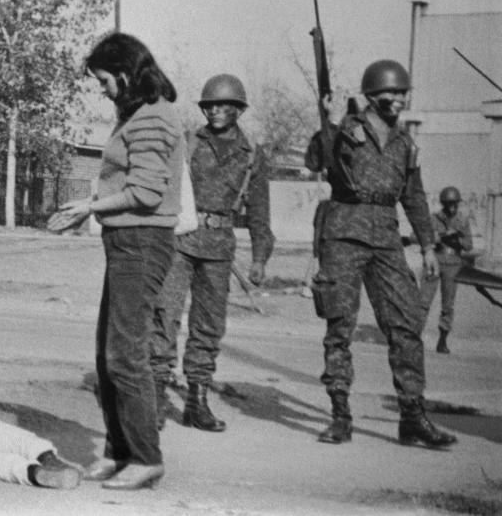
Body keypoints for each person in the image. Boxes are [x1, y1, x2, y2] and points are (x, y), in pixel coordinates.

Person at [49, 32, 182, 490]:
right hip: (127, 241)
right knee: (108, 356)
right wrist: (92, 202)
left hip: (142, 243)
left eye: (104, 80)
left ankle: (146, 457)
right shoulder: (138, 115)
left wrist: (91, 206)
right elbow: (127, 183)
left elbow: (146, 192)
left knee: (125, 354)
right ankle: (119, 450)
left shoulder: (151, 118)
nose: (101, 89)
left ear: (125, 75)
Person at [305, 59, 456, 449]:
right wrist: (332, 122)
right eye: (390, 93)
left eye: (402, 93)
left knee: (406, 326)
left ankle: (412, 417)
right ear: (372, 96)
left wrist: (426, 245)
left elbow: (415, 196)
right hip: (344, 235)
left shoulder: (405, 143)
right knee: (340, 327)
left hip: (387, 239)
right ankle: (340, 417)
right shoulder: (347, 128)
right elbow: (319, 162)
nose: (398, 100)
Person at [151, 74, 274, 433]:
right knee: (165, 315)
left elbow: (260, 211)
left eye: (224, 105)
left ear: (239, 109)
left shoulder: (252, 154)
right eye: (210, 105)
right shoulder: (186, 143)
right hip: (179, 240)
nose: (216, 111)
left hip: (220, 247)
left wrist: (260, 257)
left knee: (208, 326)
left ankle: (196, 402)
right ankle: (156, 395)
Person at [421, 186, 473, 354]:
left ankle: (443, 340)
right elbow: (426, 237)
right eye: (449, 203)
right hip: (435, 260)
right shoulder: (434, 218)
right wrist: (444, 235)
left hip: (453, 264)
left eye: (454, 203)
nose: (452, 207)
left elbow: (469, 244)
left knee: (448, 305)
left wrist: (457, 238)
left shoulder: (462, 220)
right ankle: (415, 336)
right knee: (423, 301)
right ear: (443, 203)